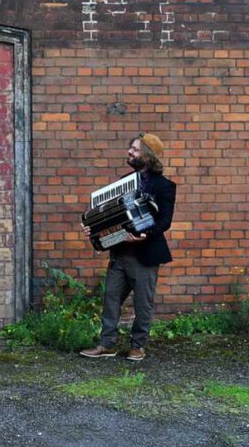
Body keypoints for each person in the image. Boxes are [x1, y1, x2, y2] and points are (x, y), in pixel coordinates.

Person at [80, 133, 177, 362]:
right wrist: (92, 228)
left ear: (147, 155)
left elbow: (165, 221)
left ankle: (138, 346)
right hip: (120, 252)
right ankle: (107, 344)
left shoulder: (164, 186)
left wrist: (144, 234)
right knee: (111, 298)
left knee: (143, 304)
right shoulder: (124, 182)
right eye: (130, 148)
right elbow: (111, 215)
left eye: (134, 149)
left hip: (145, 254)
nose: (129, 152)